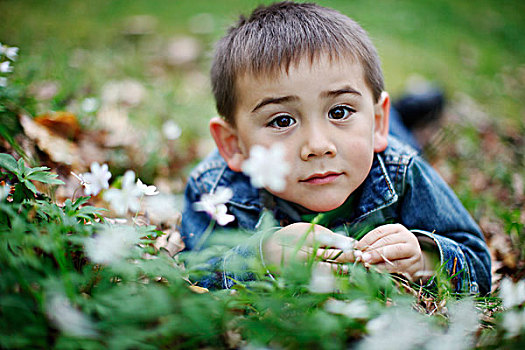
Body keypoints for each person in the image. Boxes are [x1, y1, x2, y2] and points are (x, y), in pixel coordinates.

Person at [180, 1, 491, 294]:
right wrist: (259, 258)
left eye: (339, 111)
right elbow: (193, 277)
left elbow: (477, 262)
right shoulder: (215, 188)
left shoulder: (400, 168)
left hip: (385, 135)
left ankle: (403, 112)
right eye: (282, 120)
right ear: (234, 145)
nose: (318, 146)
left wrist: (425, 260)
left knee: (402, 136)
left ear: (376, 123)